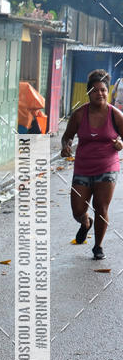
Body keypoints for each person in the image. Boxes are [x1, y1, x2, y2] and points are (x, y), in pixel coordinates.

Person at [61, 69, 123, 260]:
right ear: (89, 93)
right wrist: (66, 146)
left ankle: (98, 247)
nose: (100, 93)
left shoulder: (116, 115)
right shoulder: (79, 115)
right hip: (83, 168)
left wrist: (121, 143)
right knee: (77, 209)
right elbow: (67, 137)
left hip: (108, 167)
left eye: (103, 90)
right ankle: (85, 222)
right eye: (95, 90)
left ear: (108, 91)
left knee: (101, 207)